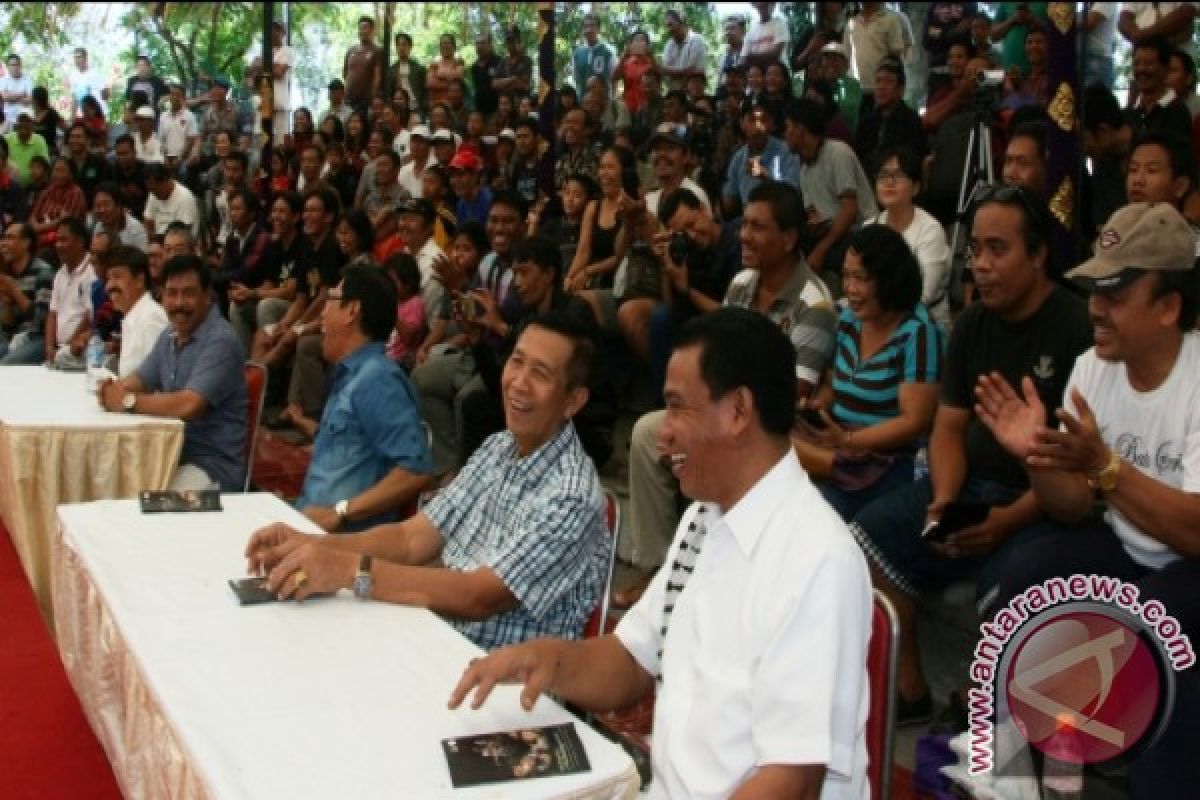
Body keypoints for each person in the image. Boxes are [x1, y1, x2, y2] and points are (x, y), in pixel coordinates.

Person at [451, 307, 873, 800]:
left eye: (677, 407)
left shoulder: (818, 560)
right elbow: (630, 662)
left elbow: (791, 782)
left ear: (738, 411)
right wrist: (544, 660)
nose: (662, 431)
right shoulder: (705, 518)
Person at [844, 185, 1092, 723]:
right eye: (975, 249)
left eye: (997, 249)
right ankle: (907, 689)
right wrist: (946, 500)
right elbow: (949, 428)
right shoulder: (974, 324)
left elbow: (1080, 475)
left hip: (1042, 503)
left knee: (1009, 581)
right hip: (972, 486)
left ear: (1038, 253)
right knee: (869, 533)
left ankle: (989, 709)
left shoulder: (1075, 328)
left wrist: (1007, 520)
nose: (980, 264)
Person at [978, 202, 1200, 800]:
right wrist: (1037, 454)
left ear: (1168, 307)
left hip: (1190, 563)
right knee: (1030, 572)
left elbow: (1194, 533)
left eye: (1116, 292)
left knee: (1161, 618)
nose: (1095, 307)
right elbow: (1073, 507)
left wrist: (1105, 467)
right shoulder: (1091, 369)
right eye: (1094, 289)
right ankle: (1024, 767)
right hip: (1129, 543)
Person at [245, 312, 609, 653]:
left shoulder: (571, 496)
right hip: (432, 637)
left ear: (573, 401)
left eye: (541, 374)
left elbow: (477, 596)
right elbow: (412, 538)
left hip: (501, 688)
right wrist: (312, 543)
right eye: (516, 361)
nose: (519, 383)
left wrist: (346, 570)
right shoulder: (498, 448)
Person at [614, 182, 837, 606]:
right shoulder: (742, 284)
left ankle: (712, 576)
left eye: (757, 227)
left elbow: (791, 392)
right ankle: (659, 569)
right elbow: (720, 352)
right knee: (647, 433)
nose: (744, 236)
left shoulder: (813, 303)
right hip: (723, 408)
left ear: (789, 238)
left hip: (769, 428)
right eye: (745, 224)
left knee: (698, 439)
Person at [794, 225, 943, 521]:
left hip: (887, 458)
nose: (849, 289)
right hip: (838, 438)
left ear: (889, 279)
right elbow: (834, 383)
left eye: (861, 278)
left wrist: (851, 441)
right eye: (846, 276)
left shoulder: (918, 333)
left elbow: (915, 421)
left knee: (810, 506)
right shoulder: (849, 319)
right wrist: (820, 405)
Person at [289, 264, 431, 532]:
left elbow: (415, 471)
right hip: (307, 529)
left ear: (351, 311)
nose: (323, 314)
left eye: (330, 299)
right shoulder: (349, 375)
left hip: (340, 547)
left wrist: (340, 512)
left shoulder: (377, 379)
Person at [98, 255, 246, 491]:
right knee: (109, 481)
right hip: (168, 454)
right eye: (172, 293)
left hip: (211, 466)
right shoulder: (170, 333)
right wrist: (116, 389)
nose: (179, 303)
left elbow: (190, 405)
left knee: (153, 509)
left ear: (207, 296)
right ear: (162, 296)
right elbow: (142, 378)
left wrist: (127, 401)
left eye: (188, 293)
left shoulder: (221, 340)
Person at [412, 191, 526, 474]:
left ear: (524, 226)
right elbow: (472, 309)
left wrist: (459, 285)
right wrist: (458, 291)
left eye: (508, 222)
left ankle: (468, 474)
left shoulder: (526, 267)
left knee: (467, 399)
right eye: (494, 220)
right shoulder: (488, 262)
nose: (498, 228)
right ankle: (447, 462)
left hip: (506, 359)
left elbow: (504, 318)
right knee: (422, 379)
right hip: (476, 349)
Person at [784, 99, 878, 293]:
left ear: (800, 129)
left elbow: (850, 210)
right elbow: (815, 213)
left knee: (823, 257)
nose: (785, 134)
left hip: (861, 232)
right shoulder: (804, 170)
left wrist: (820, 250)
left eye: (788, 127)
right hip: (833, 234)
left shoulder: (837, 152)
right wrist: (815, 225)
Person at [866, 146, 951, 329]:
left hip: (924, 325)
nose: (889, 182)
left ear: (916, 187)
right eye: (882, 175)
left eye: (897, 175)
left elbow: (925, 294)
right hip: (877, 319)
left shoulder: (930, 230)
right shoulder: (869, 228)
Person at [722, 100, 801, 218]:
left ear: (773, 124)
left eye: (764, 120)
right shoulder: (738, 157)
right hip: (748, 220)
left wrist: (765, 177)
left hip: (779, 220)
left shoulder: (787, 152)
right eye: (752, 120)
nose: (758, 127)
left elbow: (792, 195)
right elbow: (729, 201)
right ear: (742, 124)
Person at [854, 58, 927, 179]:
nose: (881, 87)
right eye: (878, 81)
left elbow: (913, 162)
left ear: (901, 90)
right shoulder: (866, 122)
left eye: (888, 82)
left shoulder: (911, 121)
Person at [103, 245, 167, 377]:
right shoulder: (133, 317)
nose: (109, 286)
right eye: (108, 278)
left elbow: (156, 383)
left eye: (117, 276)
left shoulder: (151, 319)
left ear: (139, 280)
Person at [0, 221, 54, 364]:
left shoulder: (44, 273)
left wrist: (14, 290)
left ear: (26, 243)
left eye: (10, 238)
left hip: (39, 338)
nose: (3, 243)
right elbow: (7, 328)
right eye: (3, 238)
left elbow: (42, 320)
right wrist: (6, 302)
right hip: (16, 338)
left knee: (5, 366)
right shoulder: (9, 274)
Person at [45, 217, 96, 366]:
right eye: (57, 241)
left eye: (63, 240)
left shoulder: (91, 272)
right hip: (58, 350)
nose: (58, 245)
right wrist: (49, 348)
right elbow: (52, 313)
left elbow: (89, 317)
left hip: (78, 351)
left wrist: (66, 348)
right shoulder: (60, 273)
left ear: (80, 242)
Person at [846, 2, 912, 114]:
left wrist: (897, 87)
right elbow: (847, 55)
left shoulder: (890, 20)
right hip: (858, 90)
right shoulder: (852, 23)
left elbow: (897, 57)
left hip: (883, 89)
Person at [1125, 35, 1193, 141]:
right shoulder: (1130, 113)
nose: (1141, 69)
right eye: (1136, 64)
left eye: (1149, 64)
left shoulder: (1176, 113)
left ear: (1165, 68)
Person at [30, 158, 86, 245]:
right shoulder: (47, 190)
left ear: (71, 174)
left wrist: (39, 227)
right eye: (55, 170)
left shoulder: (75, 192)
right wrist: (36, 227)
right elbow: (33, 215)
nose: (57, 174)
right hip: (40, 232)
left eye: (62, 171)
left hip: (62, 236)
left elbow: (64, 222)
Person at [143, 162, 199, 237]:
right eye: (151, 190)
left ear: (165, 180)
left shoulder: (185, 198)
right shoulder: (153, 192)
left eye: (155, 190)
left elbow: (184, 233)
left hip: (178, 241)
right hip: (158, 239)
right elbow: (149, 220)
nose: (154, 194)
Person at [91, 182, 149, 251]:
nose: (102, 210)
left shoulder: (136, 229)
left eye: (106, 204)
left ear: (119, 205)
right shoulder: (98, 227)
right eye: (98, 206)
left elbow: (142, 259)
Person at [343, 16, 382, 113]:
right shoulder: (351, 50)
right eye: (360, 28)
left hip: (365, 102)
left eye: (365, 28)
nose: (362, 31)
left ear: (372, 30)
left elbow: (377, 77)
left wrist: (372, 98)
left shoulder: (377, 51)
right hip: (348, 99)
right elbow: (345, 74)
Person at [660, 10, 707, 91]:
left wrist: (670, 72)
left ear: (682, 23)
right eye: (667, 26)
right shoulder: (669, 44)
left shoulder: (696, 39)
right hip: (674, 94)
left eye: (671, 25)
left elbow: (692, 71)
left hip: (694, 93)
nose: (668, 29)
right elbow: (665, 71)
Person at [158, 83, 199, 171]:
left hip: (184, 158)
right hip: (166, 157)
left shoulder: (189, 116)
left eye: (178, 95)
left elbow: (191, 140)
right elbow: (161, 140)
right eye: (172, 94)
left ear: (183, 98)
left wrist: (180, 158)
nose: (174, 97)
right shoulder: (163, 116)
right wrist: (164, 157)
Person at [574, 13, 616, 94]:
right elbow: (576, 80)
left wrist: (612, 102)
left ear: (598, 29)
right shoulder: (577, 53)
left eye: (592, 26)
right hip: (583, 102)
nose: (589, 30)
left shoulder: (609, 52)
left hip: (602, 103)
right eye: (586, 26)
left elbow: (614, 80)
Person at [450, 149, 493, 227]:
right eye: (452, 176)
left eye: (461, 175)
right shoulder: (461, 205)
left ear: (475, 176)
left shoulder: (489, 203)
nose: (455, 181)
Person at [742, 1, 791, 69]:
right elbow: (745, 58)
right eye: (763, 3)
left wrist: (752, 57)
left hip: (778, 75)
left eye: (769, 3)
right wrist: (766, 56)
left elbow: (775, 54)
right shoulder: (751, 31)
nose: (766, 5)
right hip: (757, 77)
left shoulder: (780, 24)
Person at [4, 112, 48, 186]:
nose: (23, 128)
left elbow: (44, 163)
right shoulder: (6, 139)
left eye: (27, 125)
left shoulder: (39, 140)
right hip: (8, 185)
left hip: (33, 185)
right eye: (21, 125)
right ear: (16, 126)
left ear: (32, 127)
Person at [1084, 2, 1118, 89]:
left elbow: (1089, 23)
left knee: (1094, 100)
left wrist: (1064, 20)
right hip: (1090, 61)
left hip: (1097, 62)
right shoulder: (1091, 6)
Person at [391, 33, 427, 114]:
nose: (401, 48)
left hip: (416, 107)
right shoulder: (391, 70)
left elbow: (425, 92)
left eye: (404, 44)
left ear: (410, 47)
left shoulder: (419, 69)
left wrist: (424, 109)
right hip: (398, 109)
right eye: (399, 45)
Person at [67, 48, 108, 120]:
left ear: (85, 58)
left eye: (79, 57)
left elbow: (105, 94)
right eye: (75, 58)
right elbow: (74, 97)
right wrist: (72, 115)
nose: (76, 60)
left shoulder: (96, 73)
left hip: (98, 113)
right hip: (82, 114)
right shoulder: (72, 75)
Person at [494, 27, 533, 99]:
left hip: (521, 105)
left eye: (513, 41)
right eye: (508, 41)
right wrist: (511, 80)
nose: (510, 45)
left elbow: (524, 85)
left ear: (519, 41)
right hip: (505, 105)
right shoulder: (503, 61)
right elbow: (495, 84)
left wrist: (503, 83)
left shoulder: (526, 61)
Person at [0, 55, 32, 123]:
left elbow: (30, 99)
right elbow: (5, 97)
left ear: (20, 65)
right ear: (8, 66)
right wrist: (23, 94)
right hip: (8, 117)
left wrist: (11, 97)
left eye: (16, 64)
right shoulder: (3, 80)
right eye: (12, 65)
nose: (14, 67)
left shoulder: (28, 79)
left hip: (24, 117)